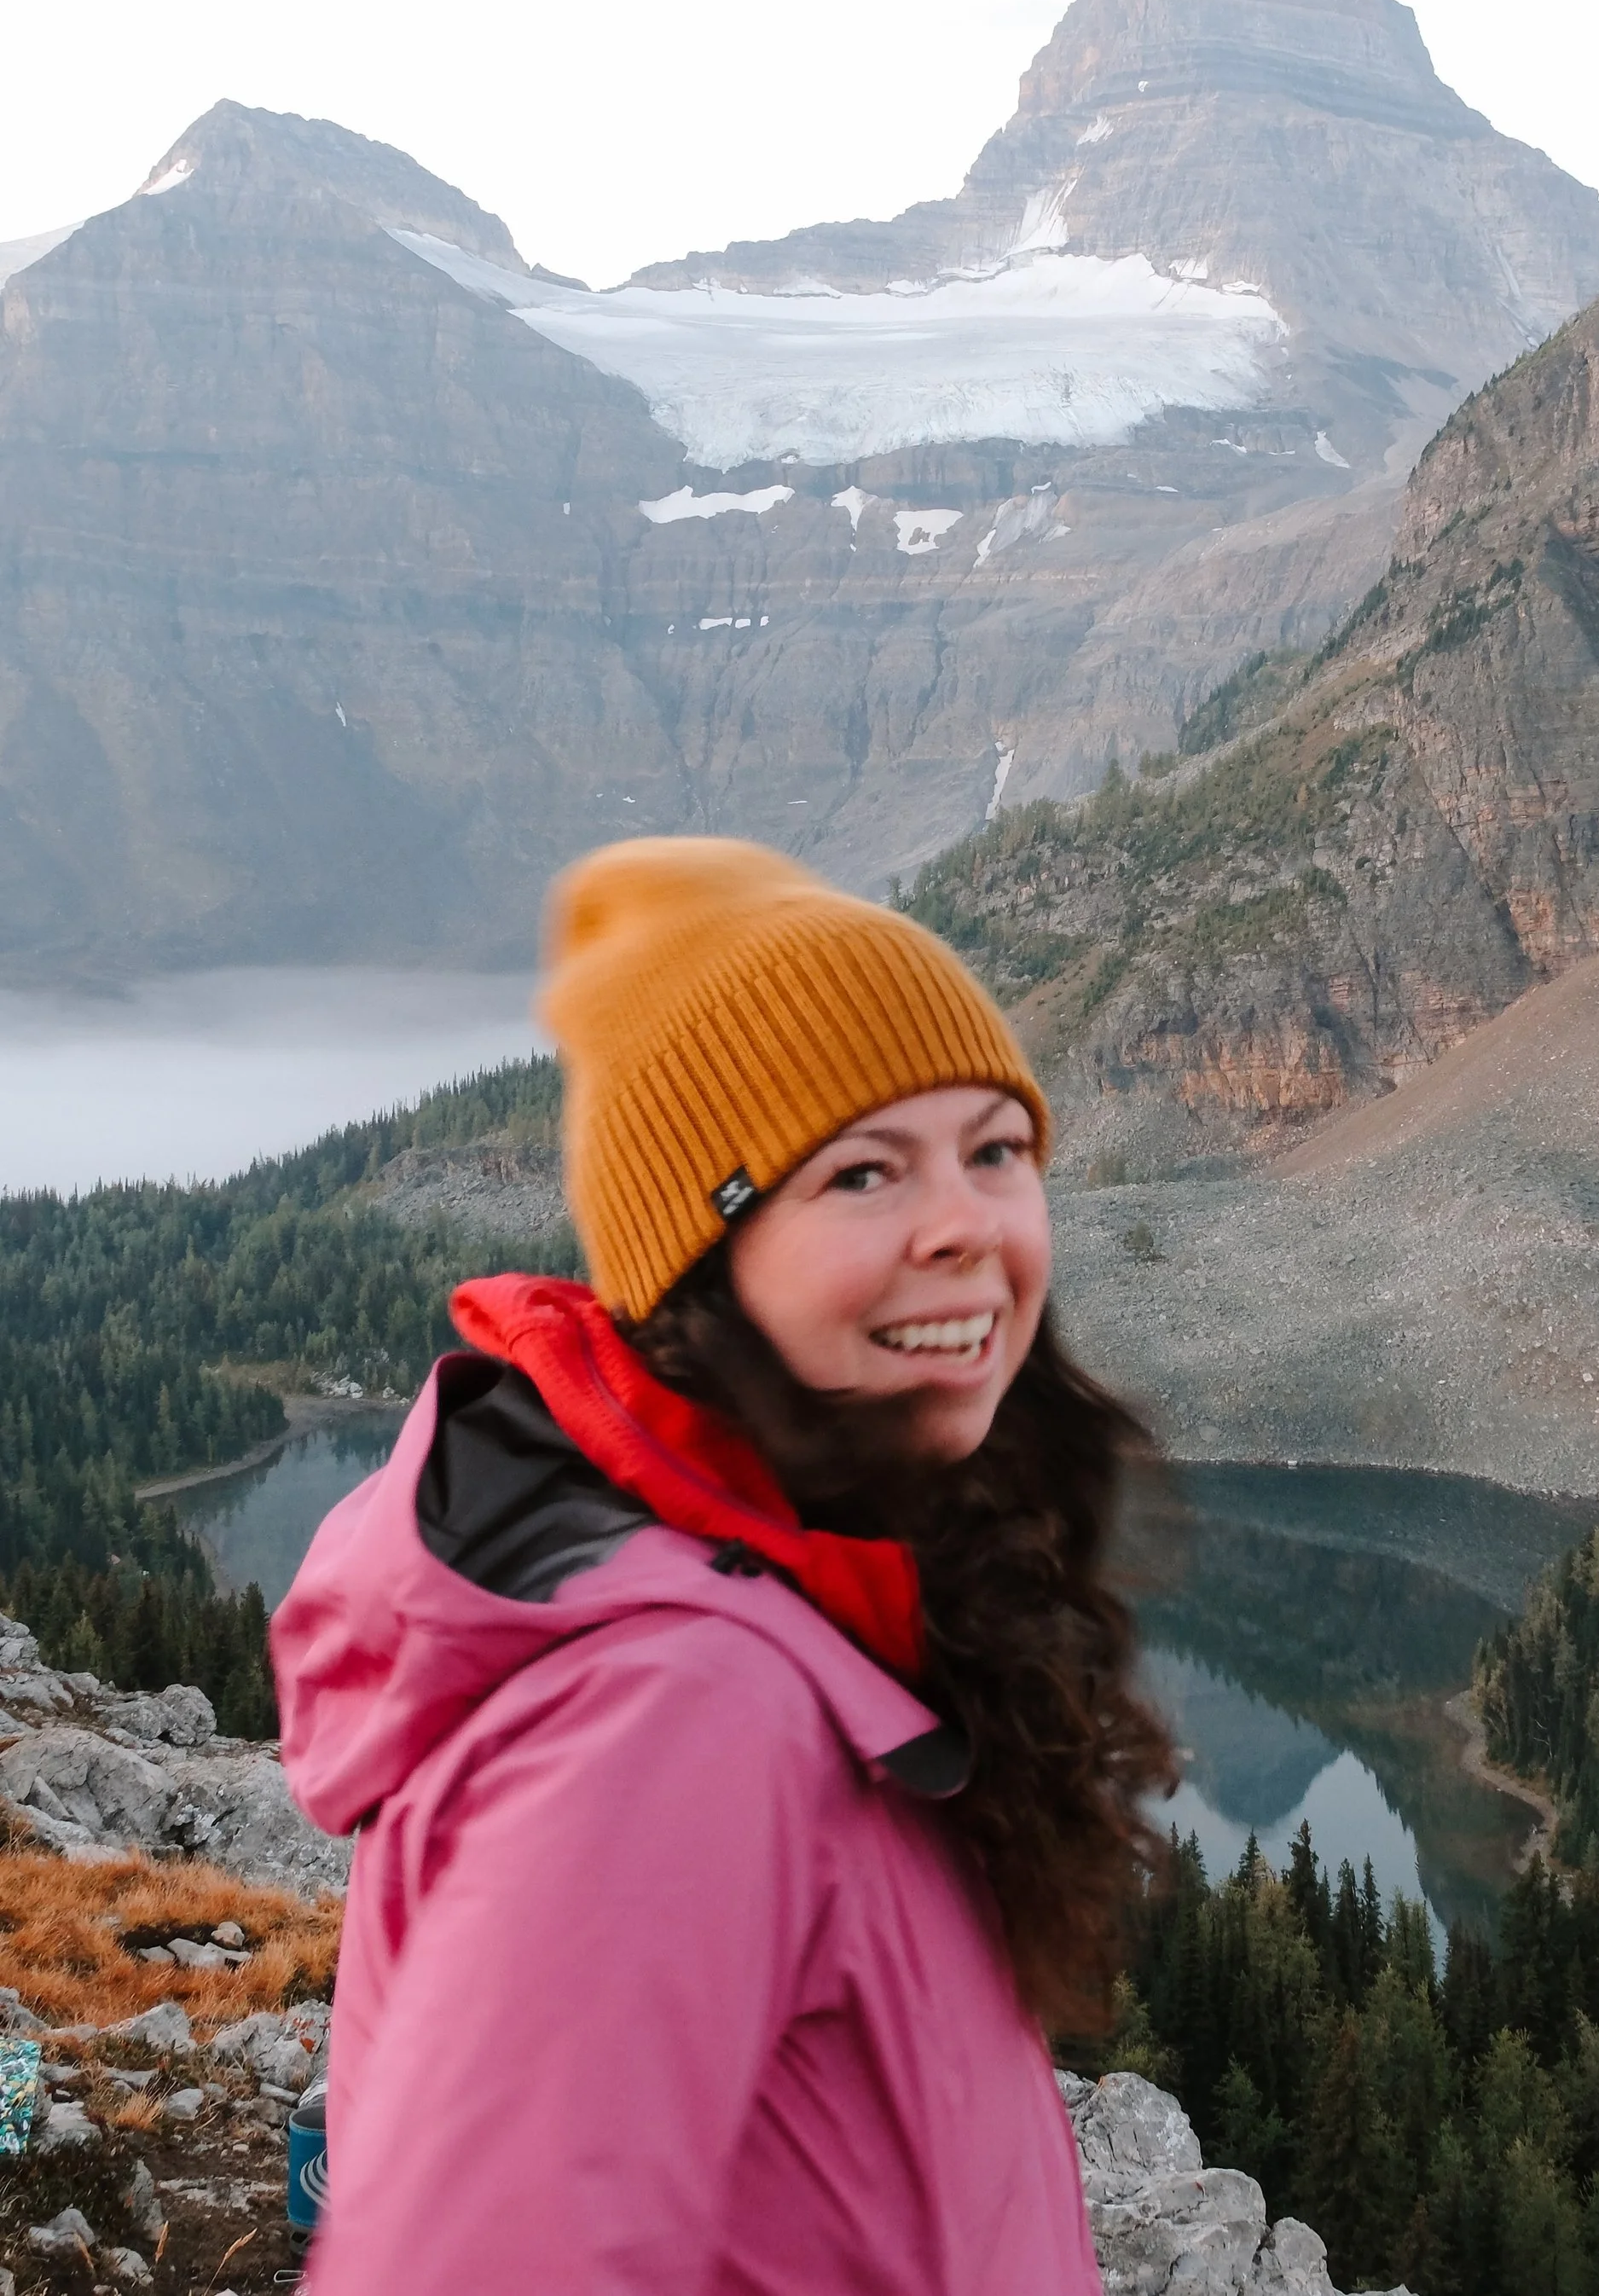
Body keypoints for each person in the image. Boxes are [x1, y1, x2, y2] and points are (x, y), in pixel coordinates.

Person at [273, 838, 1176, 2293]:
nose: (966, 1225)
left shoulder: (826, 1612)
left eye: (995, 1151)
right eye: (865, 1173)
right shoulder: (674, 1711)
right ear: (706, 1265)